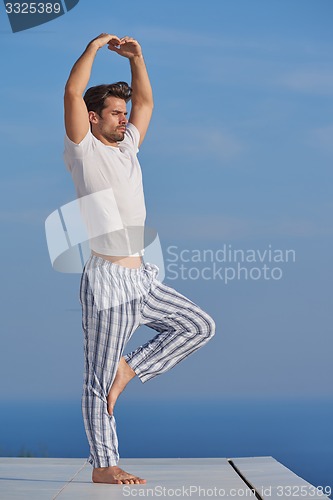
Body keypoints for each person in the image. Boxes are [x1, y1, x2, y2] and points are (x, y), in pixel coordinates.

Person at [64, 33, 216, 485]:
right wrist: (92, 49)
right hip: (107, 283)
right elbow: (72, 92)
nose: (123, 118)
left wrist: (138, 60)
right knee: (96, 378)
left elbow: (146, 105)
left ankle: (130, 368)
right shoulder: (83, 150)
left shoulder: (128, 147)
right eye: (114, 112)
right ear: (92, 118)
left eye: (122, 113)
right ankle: (104, 466)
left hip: (143, 279)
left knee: (199, 325)